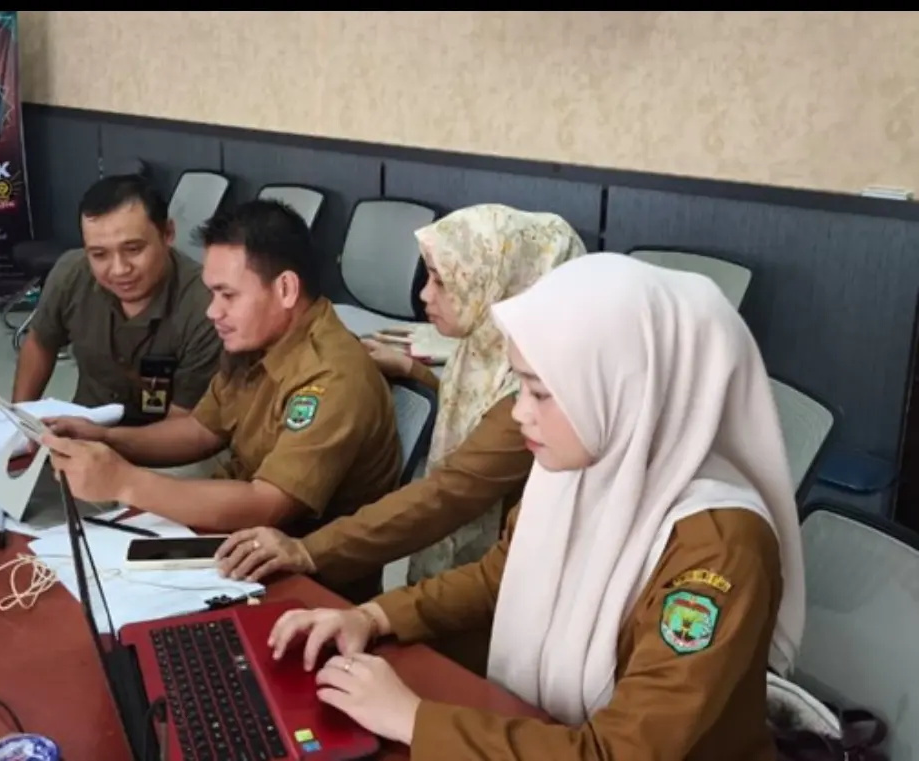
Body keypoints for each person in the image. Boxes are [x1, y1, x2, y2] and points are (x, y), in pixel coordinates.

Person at [265, 253, 805, 761]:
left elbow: (621, 752)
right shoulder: (575, 470)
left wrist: (414, 719)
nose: (520, 413)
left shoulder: (721, 545)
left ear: (624, 393)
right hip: (544, 728)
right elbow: (500, 576)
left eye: (539, 393)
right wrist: (372, 616)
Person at [216, 204, 586, 608]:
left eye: (443, 281)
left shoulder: (532, 395)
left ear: (499, 283)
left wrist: (309, 550)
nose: (425, 294)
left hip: (511, 597)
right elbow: (472, 409)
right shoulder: (485, 348)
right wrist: (413, 370)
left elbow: (448, 494)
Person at [43, 200, 402, 536]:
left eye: (228, 295)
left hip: (297, 564)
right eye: (212, 294)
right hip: (236, 534)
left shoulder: (332, 377)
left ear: (286, 289)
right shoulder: (257, 341)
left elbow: (267, 506)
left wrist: (124, 481)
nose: (213, 311)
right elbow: (201, 430)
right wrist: (105, 437)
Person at [12, 174, 221, 425]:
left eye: (133, 249)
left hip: (163, 441)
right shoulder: (72, 273)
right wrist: (19, 423)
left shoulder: (208, 306)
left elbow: (185, 427)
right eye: (99, 254)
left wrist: (101, 441)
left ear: (167, 233)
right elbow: (40, 342)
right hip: (83, 427)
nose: (119, 270)